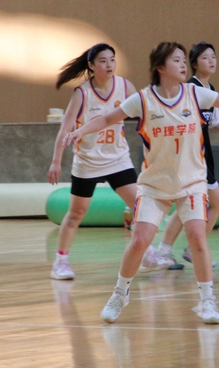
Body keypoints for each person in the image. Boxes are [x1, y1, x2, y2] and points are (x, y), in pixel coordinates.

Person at [63, 42, 219, 324]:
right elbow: (107, 117)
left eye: (183, 60)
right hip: (154, 185)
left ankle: (207, 301)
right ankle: (120, 293)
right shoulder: (143, 99)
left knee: (197, 238)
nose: (183, 65)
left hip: (191, 182)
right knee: (140, 240)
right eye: (176, 60)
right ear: (160, 67)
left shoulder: (194, 93)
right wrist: (81, 130)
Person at [140, 41, 219, 272]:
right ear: (194, 63)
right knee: (213, 202)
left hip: (201, 156)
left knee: (199, 203)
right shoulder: (188, 88)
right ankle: (175, 249)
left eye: (214, 56)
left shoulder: (207, 89)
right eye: (205, 57)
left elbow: (214, 122)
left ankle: (173, 249)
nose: (211, 61)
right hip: (188, 157)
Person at [48, 43, 139, 280]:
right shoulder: (82, 93)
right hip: (88, 160)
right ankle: (60, 261)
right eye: (103, 61)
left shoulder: (125, 86)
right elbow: (65, 129)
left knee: (141, 206)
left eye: (112, 60)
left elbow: (146, 114)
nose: (109, 65)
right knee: (76, 213)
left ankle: (148, 253)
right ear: (91, 65)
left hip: (118, 158)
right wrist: (56, 161)